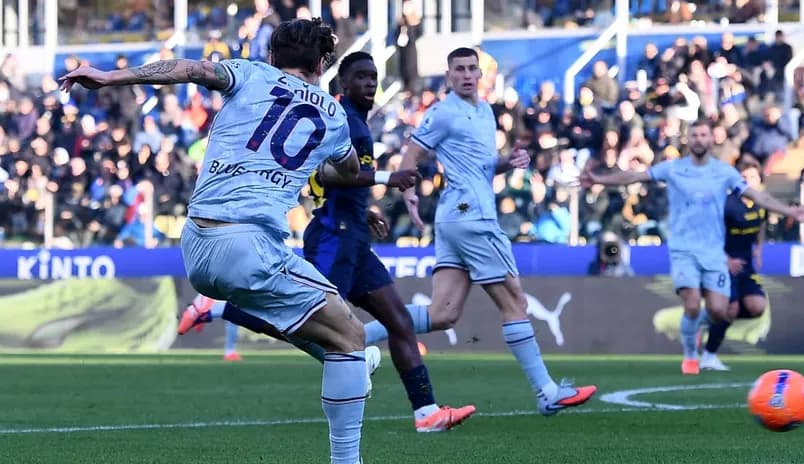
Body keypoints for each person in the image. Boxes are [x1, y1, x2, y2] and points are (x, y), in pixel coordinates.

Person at [61, 18, 369, 464]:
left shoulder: (249, 73)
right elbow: (349, 172)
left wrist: (113, 76)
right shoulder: (333, 114)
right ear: (323, 63)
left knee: (326, 332)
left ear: (272, 56)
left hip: (197, 243)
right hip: (249, 245)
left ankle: (346, 364)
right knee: (352, 336)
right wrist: (316, 169)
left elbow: (191, 69)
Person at [179, 52, 476, 432]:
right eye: (362, 77)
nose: (370, 83)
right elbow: (323, 173)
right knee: (307, 321)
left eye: (373, 77)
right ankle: (217, 309)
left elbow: (325, 178)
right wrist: (385, 177)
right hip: (333, 235)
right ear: (342, 85)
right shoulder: (341, 118)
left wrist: (362, 209)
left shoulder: (357, 122)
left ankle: (425, 412)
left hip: (352, 231)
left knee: (398, 319)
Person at [376, 47, 597, 415]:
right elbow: (410, 156)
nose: (466, 74)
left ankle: (357, 339)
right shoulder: (444, 111)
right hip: (473, 219)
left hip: (455, 221)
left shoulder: (484, 112)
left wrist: (506, 163)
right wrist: (410, 197)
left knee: (443, 313)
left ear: (481, 75)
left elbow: (478, 167)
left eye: (471, 69)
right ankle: (546, 391)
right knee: (514, 301)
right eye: (459, 69)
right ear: (448, 76)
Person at [580, 120, 804, 375]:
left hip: (714, 252)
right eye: (694, 135)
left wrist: (788, 210)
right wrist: (599, 179)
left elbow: (758, 197)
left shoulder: (724, 173)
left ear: (710, 139)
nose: (699, 139)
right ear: (689, 139)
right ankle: (691, 357)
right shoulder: (673, 168)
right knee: (692, 304)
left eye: (704, 134)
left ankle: (696, 333)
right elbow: (636, 176)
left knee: (719, 310)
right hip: (683, 250)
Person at [700, 158, 769, 371]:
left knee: (757, 307)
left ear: (760, 181)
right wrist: (725, 259)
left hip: (746, 263)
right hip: (723, 263)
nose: (748, 182)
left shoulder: (762, 203)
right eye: (744, 178)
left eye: (752, 178)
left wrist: (758, 248)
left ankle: (710, 317)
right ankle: (709, 356)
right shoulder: (727, 204)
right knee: (732, 308)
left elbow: (760, 225)